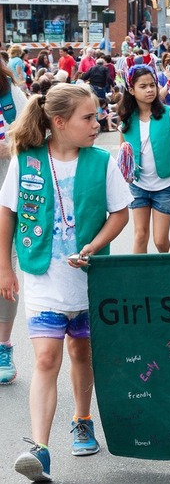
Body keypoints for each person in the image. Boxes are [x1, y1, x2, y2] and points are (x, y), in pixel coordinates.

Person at [1, 84, 132, 481]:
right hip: (42, 276)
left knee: (81, 354)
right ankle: (40, 450)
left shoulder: (102, 162)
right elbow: (7, 213)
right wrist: (4, 268)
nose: (98, 124)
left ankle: (82, 418)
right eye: (88, 118)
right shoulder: (27, 161)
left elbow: (120, 214)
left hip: (88, 278)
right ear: (59, 122)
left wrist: (93, 245)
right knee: (44, 359)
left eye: (97, 117)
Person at [119, 64, 170, 253]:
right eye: (143, 86)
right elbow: (123, 155)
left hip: (165, 185)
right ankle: (139, 279)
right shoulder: (126, 119)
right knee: (140, 236)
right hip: (138, 186)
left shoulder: (169, 114)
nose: (150, 90)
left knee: (160, 241)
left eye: (152, 85)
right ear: (131, 90)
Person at [0, 59, 28, 385]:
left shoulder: (10, 93)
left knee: (4, 272)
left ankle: (3, 345)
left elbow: (28, 137)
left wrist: (9, 147)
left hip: (6, 197)